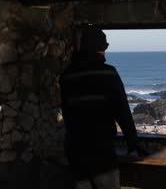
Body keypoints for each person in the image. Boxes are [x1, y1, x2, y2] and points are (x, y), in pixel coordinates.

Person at [60, 25, 148, 189]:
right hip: (101, 152)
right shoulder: (108, 73)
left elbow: (67, 112)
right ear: (96, 49)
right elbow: (122, 111)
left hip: (75, 150)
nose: (104, 53)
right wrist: (133, 143)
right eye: (103, 48)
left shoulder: (67, 75)